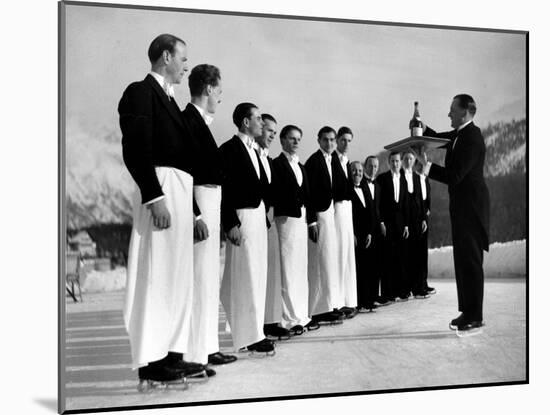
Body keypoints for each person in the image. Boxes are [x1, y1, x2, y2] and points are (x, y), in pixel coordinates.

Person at [119, 34, 206, 385]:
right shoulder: (140, 92)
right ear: (166, 56)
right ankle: (152, 361)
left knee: (176, 278)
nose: (186, 66)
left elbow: (186, 162)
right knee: (157, 276)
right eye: (183, 59)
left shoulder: (170, 100)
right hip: (163, 191)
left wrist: (195, 212)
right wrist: (154, 197)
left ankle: (172, 354)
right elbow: (136, 147)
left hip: (181, 193)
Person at [414, 94, 490, 334]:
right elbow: (437, 138)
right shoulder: (459, 135)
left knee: (471, 262)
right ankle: (467, 311)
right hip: (462, 209)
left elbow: (455, 175)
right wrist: (421, 126)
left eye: (452, 111)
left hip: (472, 210)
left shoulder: (472, 138)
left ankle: (475, 316)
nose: (448, 114)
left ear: (465, 112)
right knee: (463, 261)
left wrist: (426, 167)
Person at [179, 64, 237, 370]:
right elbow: (183, 174)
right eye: (220, 91)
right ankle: (193, 352)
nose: (220, 98)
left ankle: (207, 346)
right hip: (201, 203)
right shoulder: (187, 121)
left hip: (212, 203)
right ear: (210, 89)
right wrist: (196, 215)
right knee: (198, 279)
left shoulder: (201, 122)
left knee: (208, 280)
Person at [219, 103, 275, 354]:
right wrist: (230, 223)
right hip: (242, 218)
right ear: (245, 122)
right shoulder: (229, 149)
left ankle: (255, 331)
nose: (262, 123)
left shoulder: (256, 151)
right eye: (258, 118)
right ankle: (248, 335)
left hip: (258, 218)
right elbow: (224, 189)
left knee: (257, 273)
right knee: (246, 275)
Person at [271, 125, 320, 334]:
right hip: (285, 222)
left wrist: (311, 222)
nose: (296, 142)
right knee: (288, 270)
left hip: (300, 224)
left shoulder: (301, 167)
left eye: (298, 139)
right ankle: (288, 319)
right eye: (292, 139)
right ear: (282, 141)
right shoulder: (276, 165)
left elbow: (308, 197)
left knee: (300, 269)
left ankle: (301, 315)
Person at [257, 114, 292, 341]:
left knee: (272, 273)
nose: (271, 135)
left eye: (273, 131)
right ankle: (257, 324)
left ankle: (271, 321)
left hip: (269, 221)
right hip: (254, 219)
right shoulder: (253, 155)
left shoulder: (268, 160)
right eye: (268, 130)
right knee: (258, 274)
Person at [305, 127, 343, 324]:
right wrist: (311, 221)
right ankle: (319, 309)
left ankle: (329, 305)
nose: (329, 144)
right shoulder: (313, 162)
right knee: (320, 261)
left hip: (330, 214)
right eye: (325, 140)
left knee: (329, 261)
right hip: (319, 215)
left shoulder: (333, 159)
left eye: (332, 140)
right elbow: (308, 194)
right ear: (318, 141)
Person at [331, 127, 358, 318]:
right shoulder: (331, 160)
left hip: (347, 212)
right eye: (343, 140)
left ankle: (347, 300)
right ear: (337, 141)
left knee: (347, 256)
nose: (346, 144)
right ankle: (336, 302)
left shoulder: (346, 162)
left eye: (349, 141)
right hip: (336, 211)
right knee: (338, 257)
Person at [377, 152, 410, 303]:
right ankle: (387, 293)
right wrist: (381, 222)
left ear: (401, 163)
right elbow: (378, 202)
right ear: (388, 162)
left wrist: (407, 225)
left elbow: (405, 204)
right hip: (387, 223)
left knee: (400, 257)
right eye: (393, 161)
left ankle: (400, 290)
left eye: (397, 161)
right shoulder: (382, 179)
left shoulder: (403, 180)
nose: (395, 164)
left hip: (400, 223)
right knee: (386, 258)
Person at [349, 160, 378, 312]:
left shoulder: (365, 187)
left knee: (368, 268)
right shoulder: (347, 189)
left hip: (367, 234)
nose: (358, 173)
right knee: (357, 269)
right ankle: (357, 302)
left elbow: (371, 211)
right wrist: (351, 234)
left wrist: (370, 233)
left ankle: (368, 300)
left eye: (360, 170)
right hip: (354, 234)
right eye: (354, 170)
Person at [401, 149, 430, 299]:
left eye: (411, 159)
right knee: (406, 256)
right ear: (402, 160)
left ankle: (418, 287)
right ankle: (405, 289)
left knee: (417, 255)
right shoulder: (398, 176)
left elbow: (420, 201)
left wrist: (424, 219)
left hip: (417, 220)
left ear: (414, 161)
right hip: (404, 221)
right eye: (406, 158)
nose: (408, 161)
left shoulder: (417, 178)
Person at [361, 156, 384, 308]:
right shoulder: (360, 184)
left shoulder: (378, 185)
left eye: (376, 166)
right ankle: (364, 299)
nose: (373, 169)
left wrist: (381, 222)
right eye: (370, 166)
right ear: (365, 166)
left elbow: (378, 208)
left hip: (376, 229)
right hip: (365, 229)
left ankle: (374, 296)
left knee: (376, 264)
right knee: (365, 266)